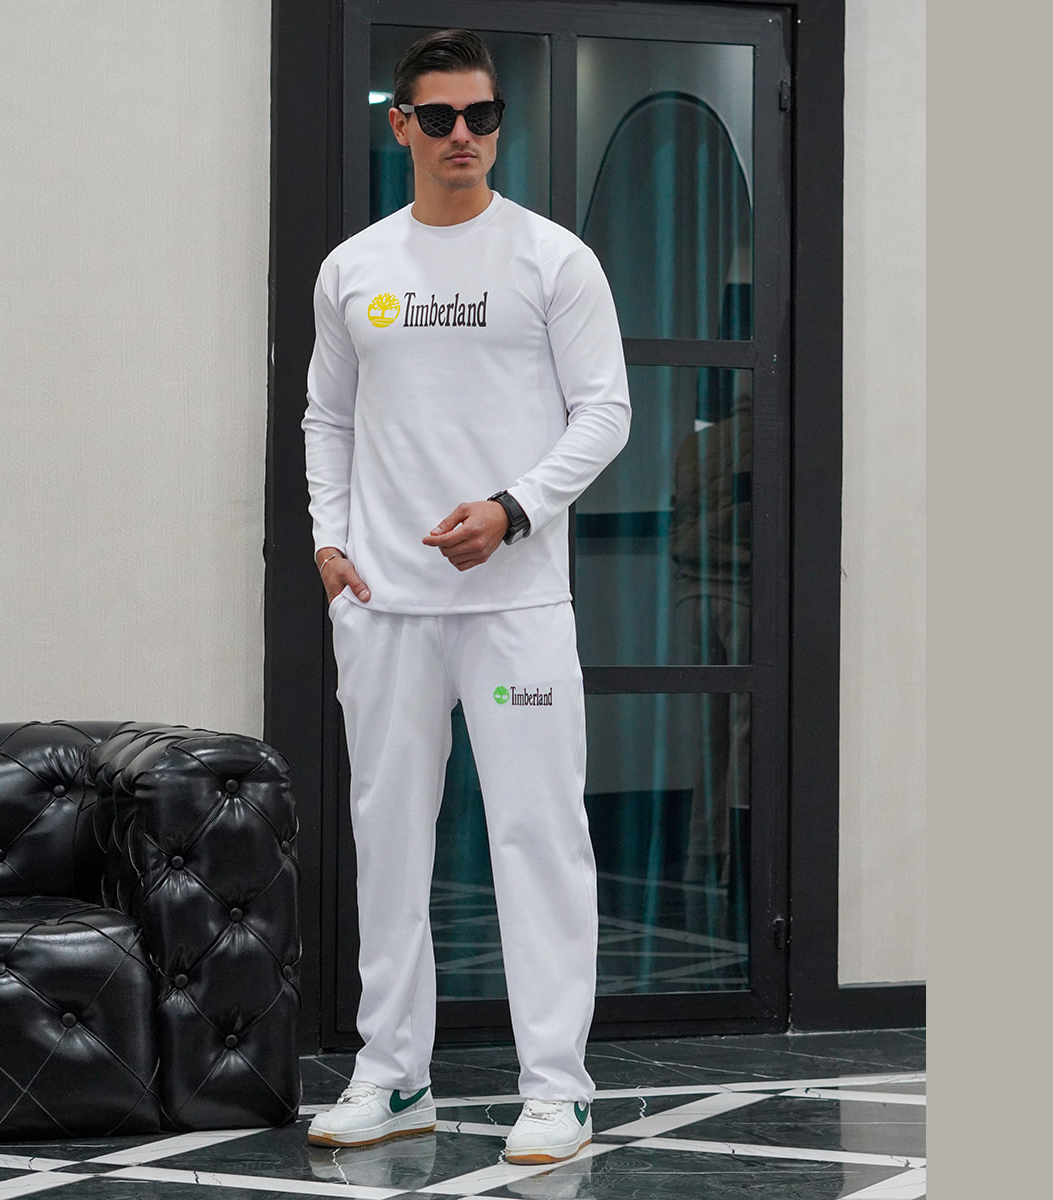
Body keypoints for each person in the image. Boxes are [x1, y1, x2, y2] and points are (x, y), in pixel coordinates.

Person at [302, 28, 630, 1165]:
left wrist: (512, 509)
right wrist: (329, 541)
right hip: (384, 607)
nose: (461, 136)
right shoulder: (354, 268)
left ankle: (559, 1091)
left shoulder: (553, 260)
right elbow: (328, 417)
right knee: (388, 842)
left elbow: (606, 411)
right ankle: (393, 1077)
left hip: (515, 608)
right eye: (437, 117)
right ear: (401, 125)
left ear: (499, 125)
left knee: (539, 837)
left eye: (480, 117)